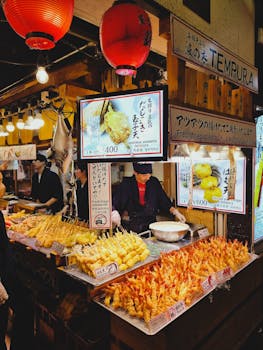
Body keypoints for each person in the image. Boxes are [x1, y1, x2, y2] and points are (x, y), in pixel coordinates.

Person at [111, 162, 186, 233]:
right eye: (144, 175)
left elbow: (163, 200)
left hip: (151, 225)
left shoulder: (154, 182)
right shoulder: (126, 184)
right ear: (135, 173)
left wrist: (175, 212)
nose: (147, 177)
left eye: (149, 174)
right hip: (132, 226)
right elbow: (115, 202)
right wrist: (114, 212)